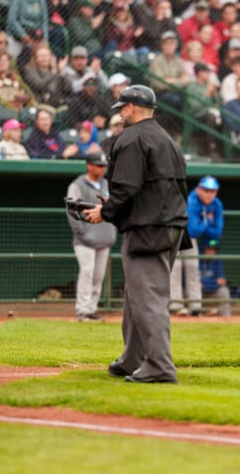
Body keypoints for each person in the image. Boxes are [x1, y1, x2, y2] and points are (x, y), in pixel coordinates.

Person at [83, 84, 188, 384]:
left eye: (122, 110)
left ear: (129, 108)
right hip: (171, 226)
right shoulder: (167, 139)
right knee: (136, 297)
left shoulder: (130, 137)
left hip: (147, 230)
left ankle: (159, 365)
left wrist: (106, 211)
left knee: (147, 299)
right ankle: (133, 358)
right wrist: (116, 208)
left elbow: (126, 187)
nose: (121, 116)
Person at [66, 152, 117, 323]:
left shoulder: (107, 184)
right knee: (87, 273)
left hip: (104, 238)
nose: (103, 168)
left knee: (98, 276)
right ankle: (82, 310)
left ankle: (91, 309)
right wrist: (83, 232)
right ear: (89, 165)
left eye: (104, 165)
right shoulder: (77, 184)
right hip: (84, 241)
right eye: (99, 165)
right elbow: (71, 210)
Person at [170, 175, 224, 316]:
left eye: (212, 191)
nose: (209, 194)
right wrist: (206, 221)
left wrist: (203, 224)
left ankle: (195, 306)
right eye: (206, 190)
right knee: (175, 268)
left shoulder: (216, 204)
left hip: (189, 238)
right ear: (199, 189)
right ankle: (176, 306)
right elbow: (193, 230)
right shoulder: (192, 201)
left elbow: (217, 233)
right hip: (174, 233)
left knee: (193, 268)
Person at [199, 239, 231, 317]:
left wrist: (204, 283)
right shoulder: (197, 261)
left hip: (212, 292)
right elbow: (194, 283)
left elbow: (221, 281)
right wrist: (214, 282)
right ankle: (192, 317)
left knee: (224, 291)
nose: (211, 252)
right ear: (203, 250)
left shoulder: (217, 261)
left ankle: (226, 320)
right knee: (193, 289)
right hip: (199, 294)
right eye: (208, 249)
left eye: (213, 249)